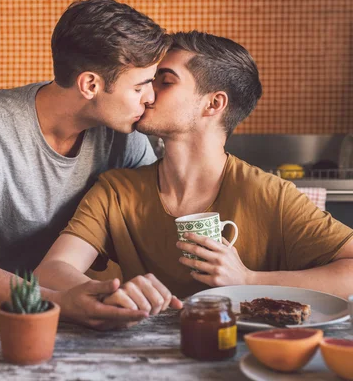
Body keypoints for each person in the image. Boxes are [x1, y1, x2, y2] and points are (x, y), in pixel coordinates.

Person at [35, 31, 353, 321]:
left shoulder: (269, 194)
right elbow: (51, 270)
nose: (146, 93)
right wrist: (109, 292)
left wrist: (248, 280)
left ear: (213, 104)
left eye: (165, 81)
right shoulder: (116, 191)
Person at [0, 0, 171, 329]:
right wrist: (59, 302)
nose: (151, 97)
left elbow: (157, 220)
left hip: (40, 294)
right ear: (90, 85)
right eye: (141, 86)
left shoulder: (125, 135)